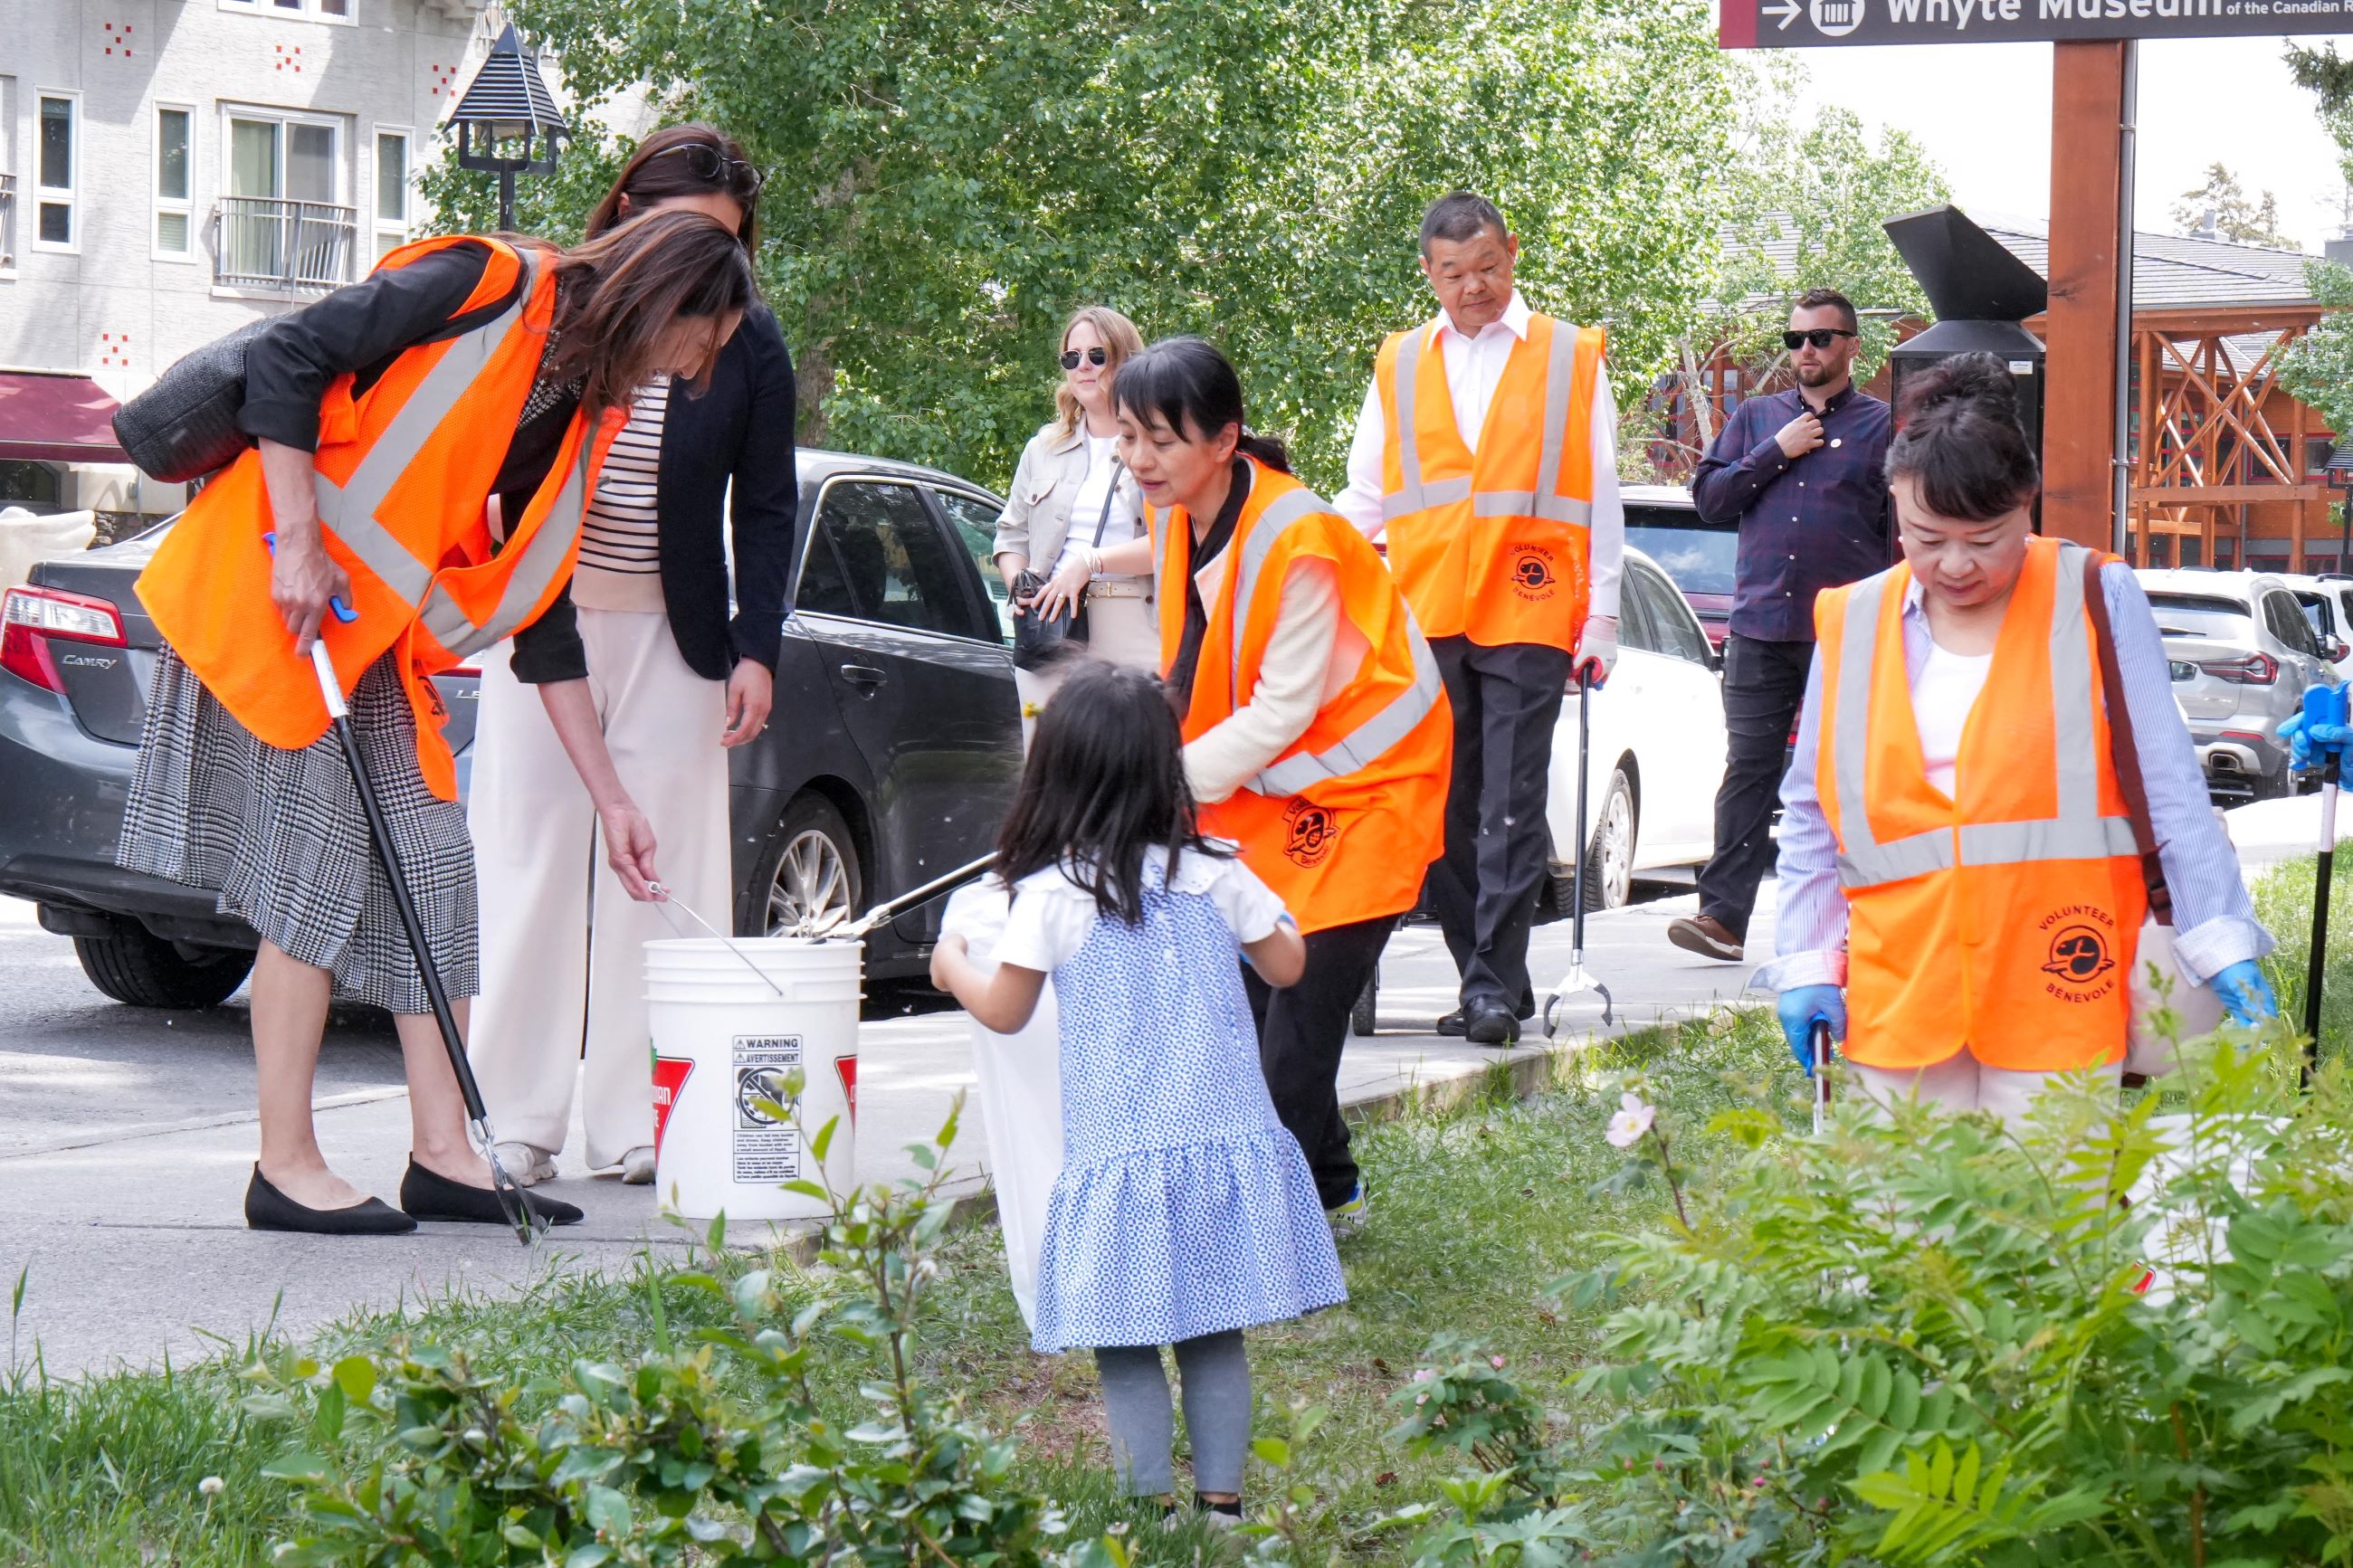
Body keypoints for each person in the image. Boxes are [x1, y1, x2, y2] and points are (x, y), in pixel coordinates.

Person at [119, 210, 758, 1233]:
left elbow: (541, 614)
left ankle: (445, 1153)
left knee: (436, 868)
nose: (691, 374)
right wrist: (294, 543)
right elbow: (290, 354)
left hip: (363, 636)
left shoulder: (571, 402)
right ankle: (284, 1165)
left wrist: (612, 798)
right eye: (699, 344)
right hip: (274, 590)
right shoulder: (484, 282)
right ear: (662, 302)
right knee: (313, 876)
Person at [1756, 354, 2277, 1125]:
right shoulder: (1852, 618)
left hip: (2063, 979)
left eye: (1986, 538)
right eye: (1926, 538)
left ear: (2027, 504)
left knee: (2049, 1228)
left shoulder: (2095, 594)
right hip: (1899, 988)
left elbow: (2167, 784)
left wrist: (2218, 935)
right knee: (1895, 1233)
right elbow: (1811, 811)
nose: (1956, 564)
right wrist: (1804, 958)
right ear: (1894, 504)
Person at [929, 660, 1341, 1519]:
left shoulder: (1049, 895)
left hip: (1121, 1159)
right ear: (1168, 770)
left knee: (1123, 1345)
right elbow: (1289, 963)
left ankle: (1148, 1511)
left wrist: (951, 965)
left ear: (1054, 777)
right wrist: (1275, 912)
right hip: (1224, 1143)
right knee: (1214, 1331)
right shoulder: (1216, 870)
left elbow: (1005, 1012)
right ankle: (1222, 1511)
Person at [465, 126, 797, 1190]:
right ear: (626, 212)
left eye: (730, 246)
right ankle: (513, 1116)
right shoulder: (554, 314)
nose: (709, 267)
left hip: (679, 631)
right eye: (691, 236)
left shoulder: (750, 340)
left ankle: (641, 1116)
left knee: (668, 879)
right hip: (541, 625)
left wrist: (758, 647)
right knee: (527, 860)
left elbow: (770, 503)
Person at [1124, 337, 1450, 1231]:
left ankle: (1267, 1234)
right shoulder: (1177, 515)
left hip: (1369, 795)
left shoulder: (1299, 536)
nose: (1139, 461)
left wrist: (1146, 788)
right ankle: (1333, 1191)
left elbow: (1277, 711)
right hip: (1268, 801)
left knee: (1292, 1031)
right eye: (1127, 437)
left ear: (1224, 439)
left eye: (1160, 440)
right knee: (1257, 1013)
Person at [1332, 191, 1624, 1046]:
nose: (1473, 288)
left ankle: (1495, 985)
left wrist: (1600, 615)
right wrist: (1304, 577)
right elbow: (1366, 495)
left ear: (1514, 255)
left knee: (1510, 799)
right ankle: (1480, 972)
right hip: (1426, 610)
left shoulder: (1570, 356)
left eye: (1488, 268)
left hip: (1530, 603)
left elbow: (1600, 491)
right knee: (1445, 807)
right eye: (1453, 273)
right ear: (1428, 272)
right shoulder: (1398, 362)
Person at [1668, 288, 1893, 965]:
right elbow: (1709, 499)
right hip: (1762, 623)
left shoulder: (1884, 427)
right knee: (1750, 770)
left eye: (1820, 339)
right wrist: (1777, 450)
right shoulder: (1757, 418)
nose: (1805, 352)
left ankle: (1865, 919)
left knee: (1850, 775)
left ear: (1852, 345)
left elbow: (1903, 532)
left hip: (1845, 634)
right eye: (1794, 339)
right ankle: (1722, 919)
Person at [993, 307, 1155, 736]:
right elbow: (1010, 536)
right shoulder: (1044, 446)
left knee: (1130, 767)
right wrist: (1019, 585)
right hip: (1050, 627)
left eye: (1097, 355)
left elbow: (1174, 544)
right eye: (1071, 357)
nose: (1082, 366)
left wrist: (1090, 561)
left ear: (1126, 360)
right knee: (1045, 767)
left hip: (1133, 622)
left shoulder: (1157, 444)